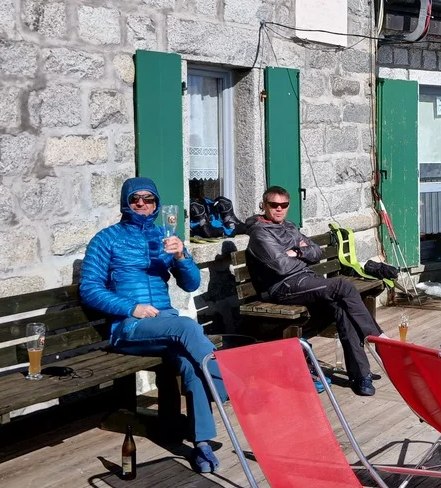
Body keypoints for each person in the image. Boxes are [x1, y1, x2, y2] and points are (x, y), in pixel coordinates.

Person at [80, 177, 226, 475]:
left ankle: (201, 444)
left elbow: (192, 284)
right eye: (136, 199)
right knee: (187, 327)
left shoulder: (165, 237)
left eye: (149, 199)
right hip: (128, 328)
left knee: (190, 363)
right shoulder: (106, 239)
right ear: (126, 203)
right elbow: (89, 288)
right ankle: (229, 383)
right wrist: (130, 307)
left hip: (165, 324)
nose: (143, 204)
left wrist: (181, 256)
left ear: (158, 204)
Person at [243, 186, 383, 396]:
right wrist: (298, 254)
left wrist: (297, 251)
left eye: (284, 205)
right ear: (264, 205)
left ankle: (361, 376)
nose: (279, 209)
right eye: (274, 205)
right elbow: (282, 267)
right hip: (283, 287)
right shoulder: (259, 234)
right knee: (342, 286)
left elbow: (317, 252)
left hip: (305, 281)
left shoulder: (289, 227)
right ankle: (379, 341)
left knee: (342, 307)